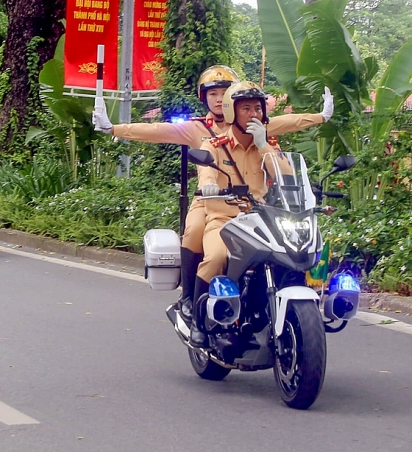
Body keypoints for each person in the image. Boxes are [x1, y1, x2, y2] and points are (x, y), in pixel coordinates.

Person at [92, 66, 334, 321]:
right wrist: (114, 129)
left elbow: (290, 125)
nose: (219, 99)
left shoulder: (258, 127)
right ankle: (190, 300)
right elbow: (156, 131)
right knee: (196, 233)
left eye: (225, 93)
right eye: (213, 94)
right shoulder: (200, 131)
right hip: (212, 200)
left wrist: (321, 116)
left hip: (255, 208)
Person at [190, 81, 282, 347]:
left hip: (260, 221)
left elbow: (286, 176)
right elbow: (206, 172)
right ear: (231, 112)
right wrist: (208, 185)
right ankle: (198, 322)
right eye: (245, 109)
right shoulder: (215, 146)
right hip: (224, 219)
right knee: (217, 256)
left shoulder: (268, 146)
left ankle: (264, 315)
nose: (253, 114)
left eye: (257, 108)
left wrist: (264, 145)